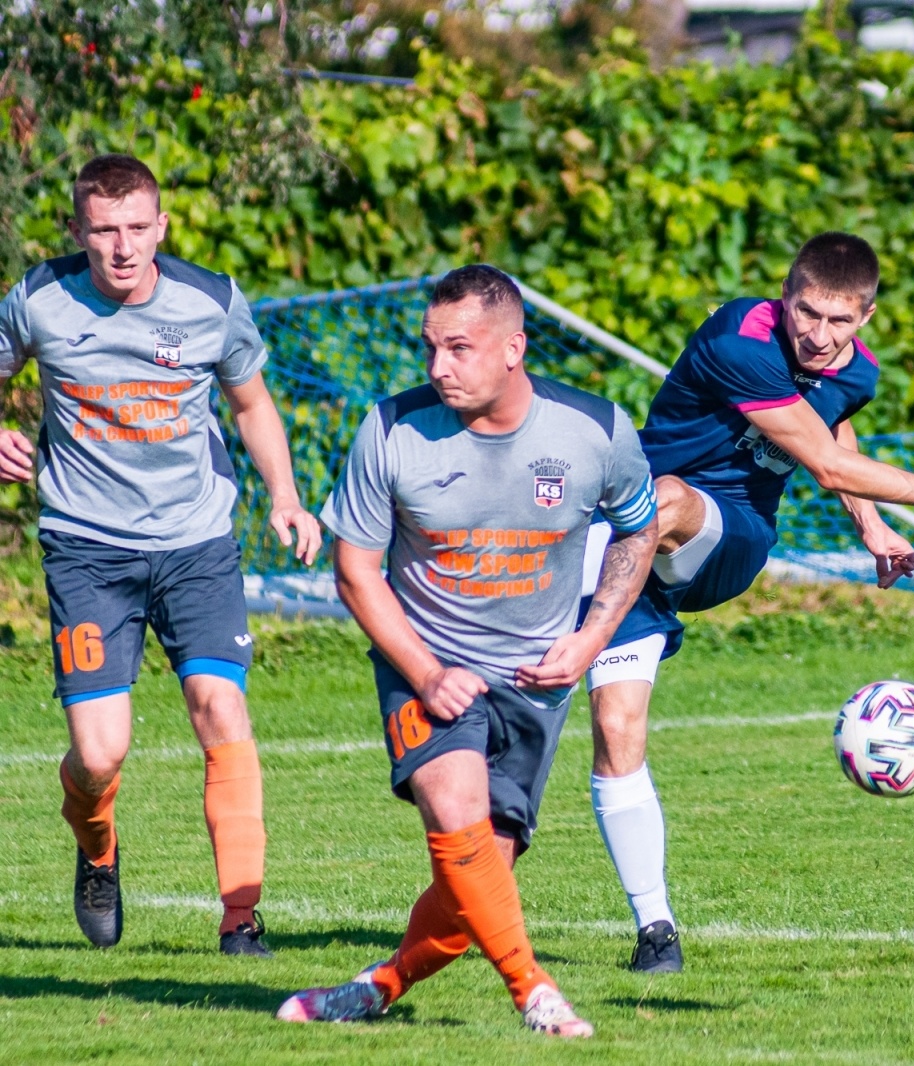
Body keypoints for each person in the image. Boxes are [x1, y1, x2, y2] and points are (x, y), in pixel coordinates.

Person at [578, 232, 914, 972]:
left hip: (725, 539)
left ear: (865, 317)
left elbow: (830, 425)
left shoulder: (854, 372)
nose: (819, 335)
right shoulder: (740, 337)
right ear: (785, 297)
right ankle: (656, 931)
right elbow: (828, 462)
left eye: (839, 322)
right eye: (807, 313)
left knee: (665, 500)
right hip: (621, 554)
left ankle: (571, 633)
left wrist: (873, 525)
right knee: (615, 725)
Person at [278, 265, 658, 1037]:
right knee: (455, 812)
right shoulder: (392, 431)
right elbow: (355, 571)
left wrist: (589, 640)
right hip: (426, 662)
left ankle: (374, 989)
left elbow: (639, 528)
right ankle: (533, 990)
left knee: (471, 887)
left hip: (534, 681)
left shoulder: (596, 431)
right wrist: (424, 670)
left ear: (514, 348)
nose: (438, 367)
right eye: (430, 348)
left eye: (460, 348)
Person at [0, 154, 321, 955]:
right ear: (78, 231)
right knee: (100, 753)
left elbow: (252, 404)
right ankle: (96, 841)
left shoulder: (209, 303)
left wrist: (284, 496)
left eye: (137, 228)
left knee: (221, 709)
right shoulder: (39, 300)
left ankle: (241, 919)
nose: (122, 247)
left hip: (197, 544)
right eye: (104, 230)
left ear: (161, 226)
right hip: (87, 551)